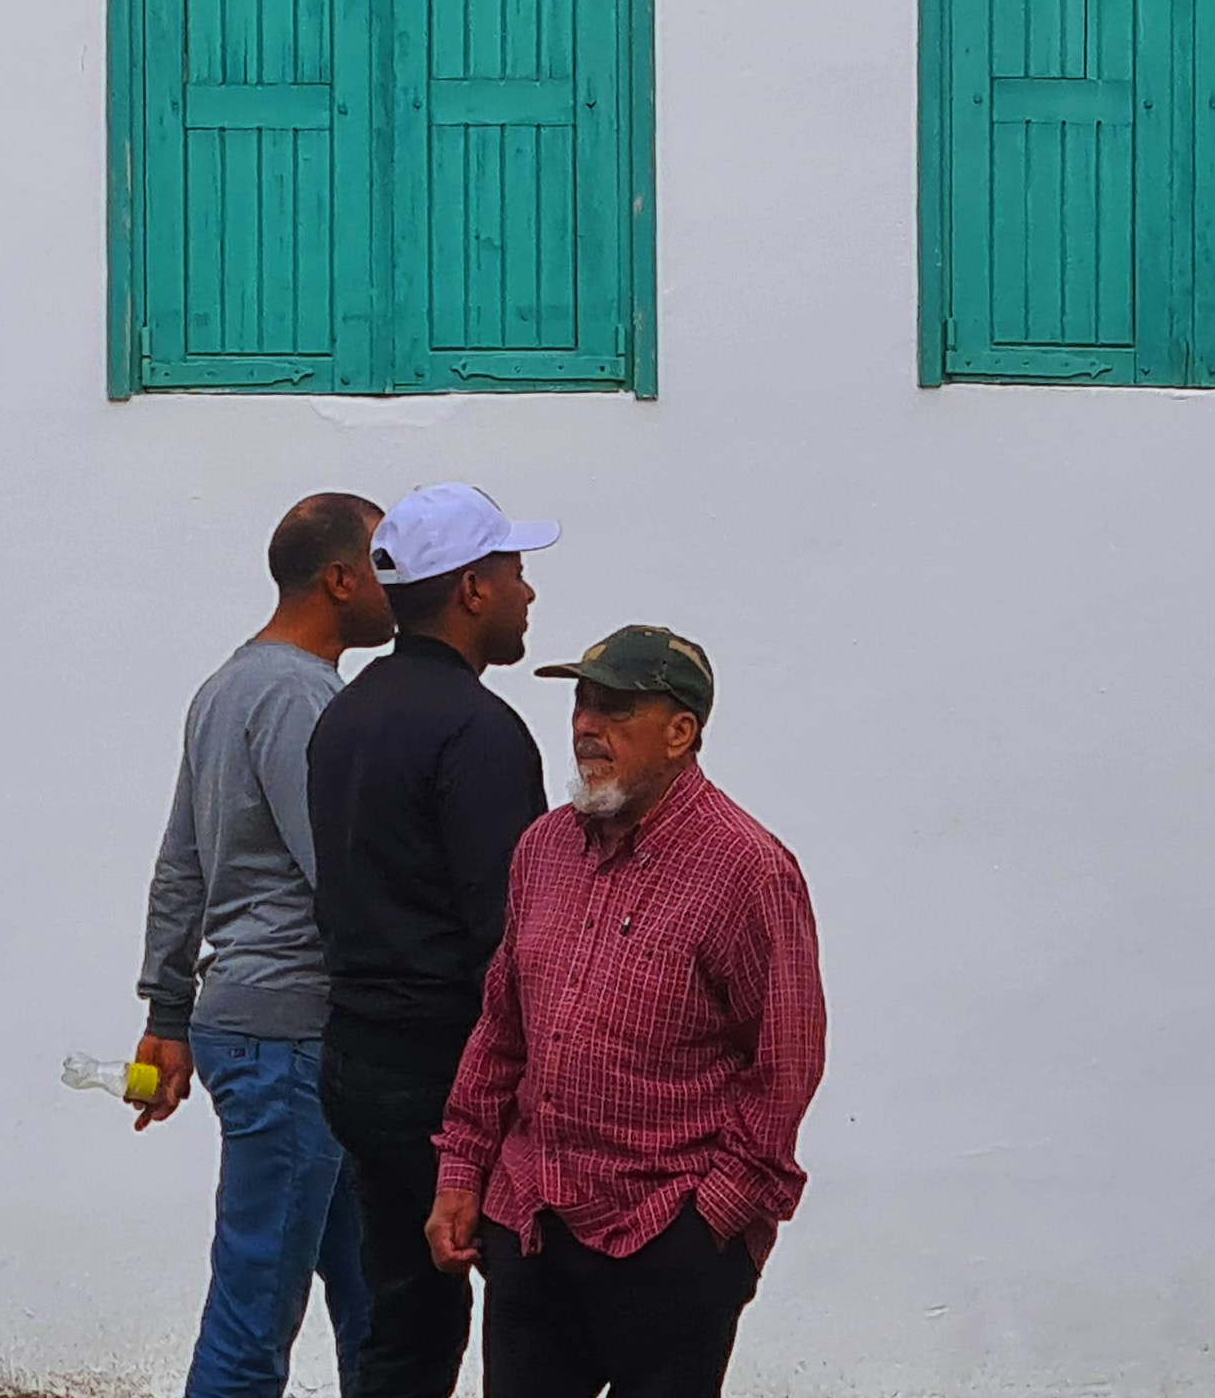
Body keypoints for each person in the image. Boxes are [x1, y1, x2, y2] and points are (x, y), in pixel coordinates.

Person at [424, 626, 825, 1398]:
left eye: (615, 708)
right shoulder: (543, 848)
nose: (585, 725)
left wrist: (713, 1223)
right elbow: (502, 1029)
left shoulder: (748, 871)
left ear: (682, 732)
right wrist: (462, 1170)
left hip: (665, 1234)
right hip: (532, 1223)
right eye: (582, 701)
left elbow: (787, 1062)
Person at [128, 493, 397, 1398]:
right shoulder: (298, 696)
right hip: (292, 1039)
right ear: (340, 581)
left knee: (379, 1308)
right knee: (254, 1322)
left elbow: (179, 867)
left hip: (265, 1031)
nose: (402, 583)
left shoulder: (227, 687)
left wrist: (168, 1013)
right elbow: (342, 874)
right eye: (384, 563)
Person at [304, 482, 559, 1398]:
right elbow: (513, 937)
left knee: (406, 1326)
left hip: (355, 1058)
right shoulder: (479, 732)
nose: (530, 592)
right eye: (516, 571)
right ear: (472, 590)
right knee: (544, 1317)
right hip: (445, 1072)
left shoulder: (348, 713)